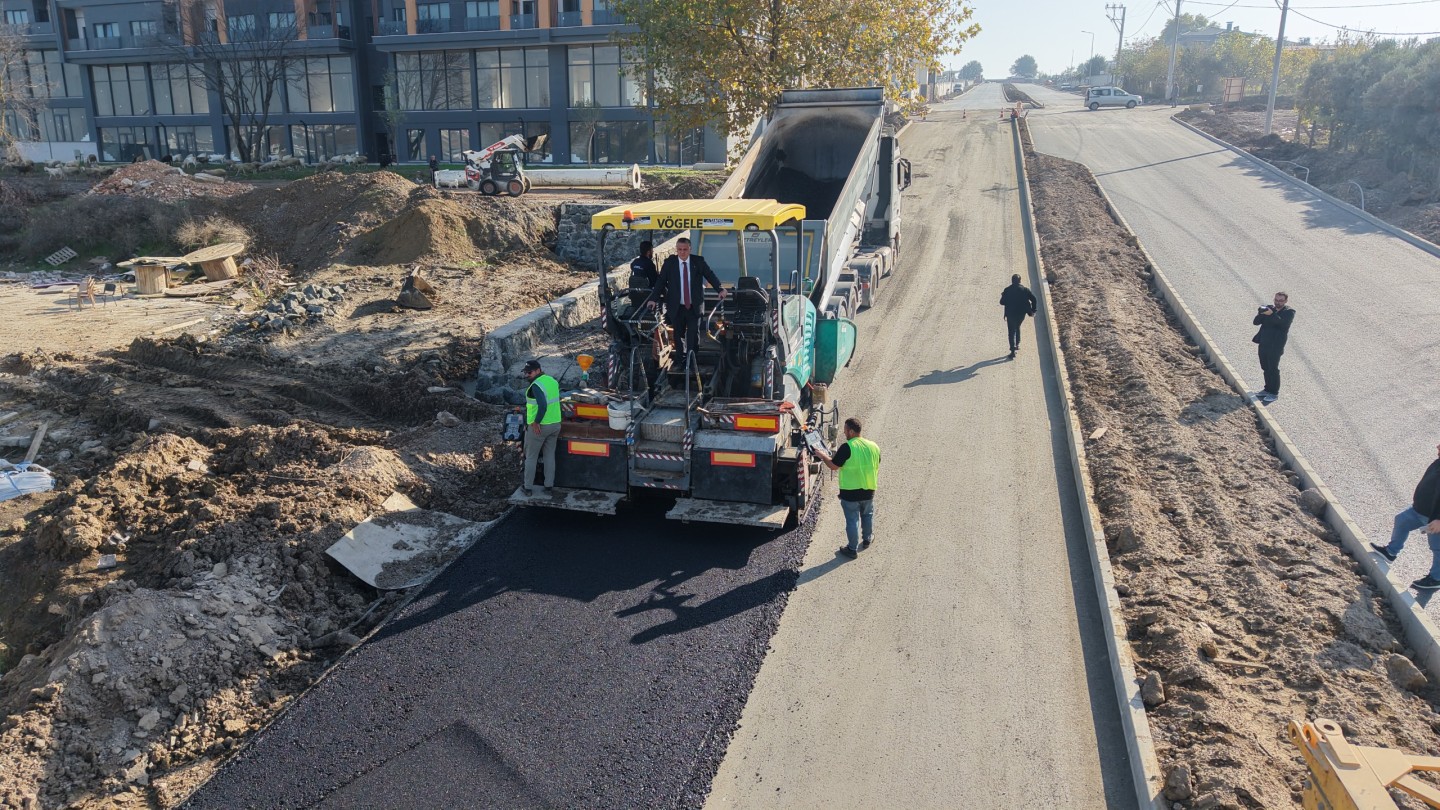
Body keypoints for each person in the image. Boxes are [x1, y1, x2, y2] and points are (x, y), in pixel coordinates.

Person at [1372, 444, 1440, 590]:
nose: (1437, 446)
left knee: (1437, 548)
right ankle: (1391, 552)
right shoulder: (1437, 462)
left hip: (1435, 520)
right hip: (1418, 511)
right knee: (1401, 520)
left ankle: (1436, 578)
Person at [814, 417, 881, 559]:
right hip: (869, 490)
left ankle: (852, 549)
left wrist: (822, 455)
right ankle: (867, 539)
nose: (844, 432)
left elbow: (833, 466)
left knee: (852, 520)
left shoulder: (848, 447)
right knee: (867, 515)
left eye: (845, 430)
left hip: (850, 493)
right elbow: (876, 463)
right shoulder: (874, 446)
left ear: (851, 431)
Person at [652, 237, 726, 359]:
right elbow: (660, 282)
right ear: (676, 249)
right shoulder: (670, 263)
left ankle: (692, 360)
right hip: (677, 306)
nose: (682, 252)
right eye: (679, 249)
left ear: (690, 249)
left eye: (685, 249)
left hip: (694, 306)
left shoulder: (698, 262)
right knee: (678, 334)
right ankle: (680, 360)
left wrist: (720, 289)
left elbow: (710, 275)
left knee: (693, 334)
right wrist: (653, 299)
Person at [517, 359, 562, 494]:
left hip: (540, 427)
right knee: (549, 455)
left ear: (538, 370)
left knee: (531, 457)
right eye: (525, 372)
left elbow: (542, 405)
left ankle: (528, 487)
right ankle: (548, 486)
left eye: (529, 372)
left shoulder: (536, 385)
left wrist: (536, 422)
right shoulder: (552, 381)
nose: (527, 375)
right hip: (555, 425)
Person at [1251, 292, 1294, 404]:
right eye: (1276, 300)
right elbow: (1256, 322)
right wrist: (1261, 313)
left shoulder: (1289, 312)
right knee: (1265, 366)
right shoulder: (1269, 309)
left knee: (1273, 368)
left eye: (1280, 300)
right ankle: (1267, 389)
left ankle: (1274, 393)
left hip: (1276, 345)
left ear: (1285, 301)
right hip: (1264, 343)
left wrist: (1271, 314)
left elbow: (1282, 324)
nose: (1278, 302)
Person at [999, 273, 1037, 359]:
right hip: (1021, 314)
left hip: (1010, 314)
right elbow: (1034, 299)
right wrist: (1034, 310)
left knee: (1011, 331)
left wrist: (1003, 295)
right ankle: (1017, 344)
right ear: (1020, 281)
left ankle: (1012, 351)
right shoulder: (1025, 290)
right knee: (1018, 326)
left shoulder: (1007, 290)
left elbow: (1002, 302)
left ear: (1012, 281)